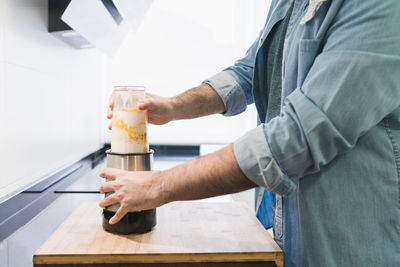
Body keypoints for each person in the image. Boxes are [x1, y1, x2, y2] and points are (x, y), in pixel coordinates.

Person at [99, 0, 400, 266]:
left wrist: (159, 187)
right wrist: (173, 107)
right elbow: (248, 71)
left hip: (354, 245)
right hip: (293, 239)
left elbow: (295, 139)